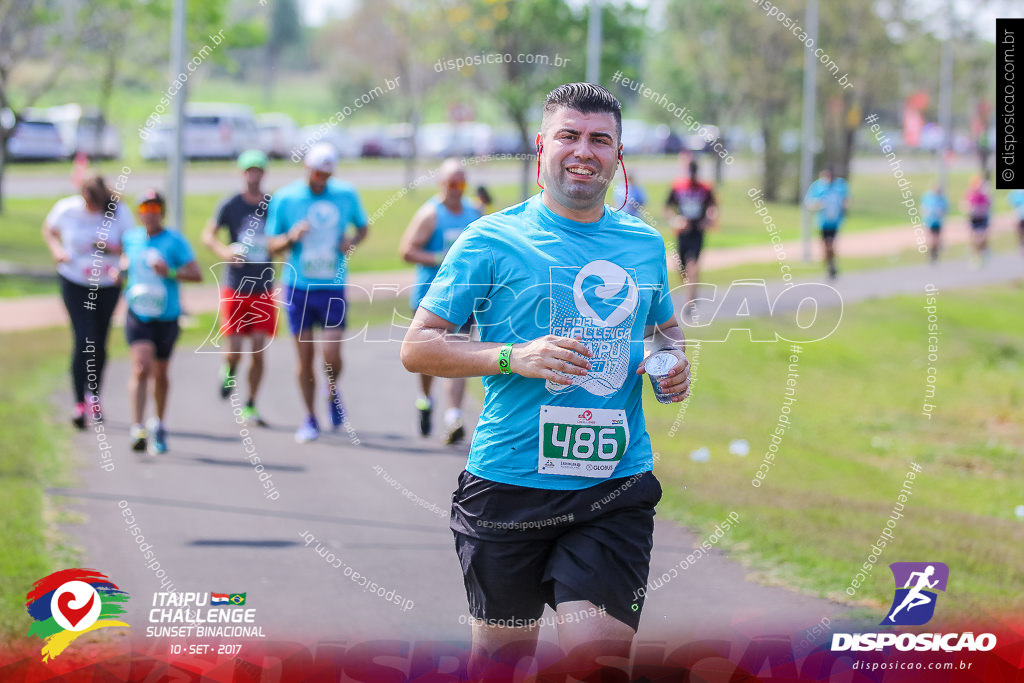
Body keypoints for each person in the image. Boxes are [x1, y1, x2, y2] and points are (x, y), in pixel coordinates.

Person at [401, 83, 691, 678]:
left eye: (600, 139)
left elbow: (665, 332)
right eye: (570, 135)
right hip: (509, 481)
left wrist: (669, 366)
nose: (584, 151)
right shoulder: (490, 239)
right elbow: (418, 347)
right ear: (542, 147)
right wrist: (513, 357)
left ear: (617, 157)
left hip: (612, 487)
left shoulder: (643, 243)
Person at [266, 142, 369, 444]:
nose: (321, 180)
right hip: (298, 288)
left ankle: (332, 390)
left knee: (332, 355)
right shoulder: (286, 198)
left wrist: (350, 241)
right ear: (306, 169)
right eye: (316, 174)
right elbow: (271, 244)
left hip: (333, 285)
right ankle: (310, 417)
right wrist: (290, 236)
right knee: (305, 359)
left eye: (326, 175)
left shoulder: (346, 194)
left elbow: (362, 228)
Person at [400, 159, 482, 444]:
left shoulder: (474, 213)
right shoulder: (430, 215)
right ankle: (425, 399)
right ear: (441, 184)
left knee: (458, 354)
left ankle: (454, 415)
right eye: (451, 183)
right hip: (429, 298)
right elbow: (407, 250)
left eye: (461, 183)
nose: (456, 189)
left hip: (463, 299)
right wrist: (439, 259)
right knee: (427, 360)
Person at [42, 175, 134, 429]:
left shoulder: (118, 212)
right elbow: (49, 230)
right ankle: (78, 401)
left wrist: (117, 258)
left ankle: (94, 395)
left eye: (94, 202)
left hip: (106, 284)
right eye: (86, 200)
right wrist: (57, 251)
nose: (89, 206)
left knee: (99, 341)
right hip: (74, 282)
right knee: (83, 339)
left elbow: (131, 245)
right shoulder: (67, 208)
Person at [121, 190, 201, 455]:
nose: (150, 214)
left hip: (166, 316)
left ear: (162, 213)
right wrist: (118, 271)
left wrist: (170, 272)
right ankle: (137, 427)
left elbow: (196, 274)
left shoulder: (174, 241)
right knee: (141, 367)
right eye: (145, 209)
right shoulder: (131, 238)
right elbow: (125, 264)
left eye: (155, 209)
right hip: (138, 313)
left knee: (161, 373)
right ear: (139, 213)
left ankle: (159, 422)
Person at [201, 149, 277, 426]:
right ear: (241, 173)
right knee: (234, 350)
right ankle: (229, 370)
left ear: (264, 173)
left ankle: (251, 404)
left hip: (264, 285)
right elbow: (208, 234)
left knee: (258, 348)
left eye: (258, 170)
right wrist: (223, 251)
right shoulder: (230, 204)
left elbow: (281, 236)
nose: (253, 175)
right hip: (236, 285)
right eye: (249, 170)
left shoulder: (273, 204)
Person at [664, 156, 717, 314]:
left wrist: (708, 219)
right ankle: (690, 288)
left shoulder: (705, 189)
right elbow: (667, 208)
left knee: (692, 265)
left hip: (697, 232)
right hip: (682, 232)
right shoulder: (678, 187)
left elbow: (713, 207)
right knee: (679, 266)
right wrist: (675, 220)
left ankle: (690, 300)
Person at [804, 166, 849, 279]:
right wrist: (818, 204)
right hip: (822, 221)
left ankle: (832, 264)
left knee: (831, 244)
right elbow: (809, 202)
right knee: (824, 245)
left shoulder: (840, 186)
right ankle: (829, 264)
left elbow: (847, 199)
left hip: (835, 221)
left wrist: (844, 206)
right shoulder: (818, 186)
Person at [962, 176, 991, 267]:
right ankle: (975, 254)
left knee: (981, 238)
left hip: (982, 218)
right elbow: (965, 205)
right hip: (973, 218)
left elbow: (987, 205)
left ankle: (982, 252)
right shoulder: (970, 195)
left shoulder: (984, 196)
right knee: (974, 238)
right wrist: (969, 209)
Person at [921, 184, 948, 264]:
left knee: (937, 240)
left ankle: (935, 254)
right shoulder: (928, 197)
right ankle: (931, 254)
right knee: (931, 239)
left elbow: (945, 210)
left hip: (938, 222)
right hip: (929, 222)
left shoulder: (942, 199)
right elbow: (924, 208)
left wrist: (940, 213)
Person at [1007, 188, 1024, 256]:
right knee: (1020, 231)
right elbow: (1012, 203)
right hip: (1019, 216)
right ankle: (1021, 245)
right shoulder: (1015, 193)